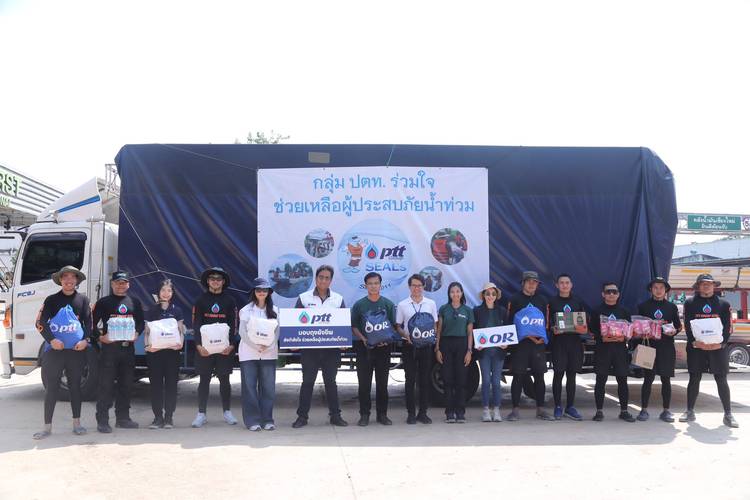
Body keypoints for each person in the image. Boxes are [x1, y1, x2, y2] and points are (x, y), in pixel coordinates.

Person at [33, 266, 92, 439]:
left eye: (72, 277)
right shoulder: (51, 300)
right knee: (52, 388)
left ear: (77, 280)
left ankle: (77, 424)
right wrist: (51, 340)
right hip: (54, 352)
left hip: (75, 352)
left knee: (75, 387)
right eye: (65, 277)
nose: (68, 280)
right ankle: (47, 428)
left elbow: (89, 323)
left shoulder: (83, 300)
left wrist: (85, 340)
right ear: (60, 280)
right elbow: (40, 322)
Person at [292, 265, 348, 428]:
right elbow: (295, 323)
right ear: (316, 278)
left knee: (331, 383)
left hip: (331, 351)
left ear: (331, 280)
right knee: (307, 382)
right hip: (310, 350)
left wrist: (344, 342)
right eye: (321, 277)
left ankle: (335, 416)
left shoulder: (338, 299)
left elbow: (343, 324)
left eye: (327, 278)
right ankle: (302, 417)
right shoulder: (304, 298)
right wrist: (294, 342)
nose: (323, 280)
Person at [680, 274, 738, 427]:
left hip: (718, 348)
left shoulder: (724, 304)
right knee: (694, 378)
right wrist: (694, 342)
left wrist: (721, 344)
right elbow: (687, 324)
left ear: (714, 286)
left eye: (709, 283)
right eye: (703, 283)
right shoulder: (690, 303)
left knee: (721, 379)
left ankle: (728, 414)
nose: (706, 286)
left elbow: (728, 326)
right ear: (698, 286)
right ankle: (690, 411)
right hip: (697, 348)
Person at [93, 270, 145, 433]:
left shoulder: (134, 302)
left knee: (126, 384)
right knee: (106, 385)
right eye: (117, 283)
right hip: (110, 350)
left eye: (124, 283)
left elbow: (141, 322)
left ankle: (123, 418)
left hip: (127, 349)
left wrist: (137, 333)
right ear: (112, 284)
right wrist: (100, 338)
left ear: (128, 284)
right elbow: (90, 323)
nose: (120, 285)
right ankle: (102, 420)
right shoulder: (103, 302)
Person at [191, 267, 239, 428]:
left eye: (219, 279)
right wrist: (198, 345)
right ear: (208, 281)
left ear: (223, 282)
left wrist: (232, 345)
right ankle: (201, 414)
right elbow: (196, 324)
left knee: (225, 380)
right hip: (205, 349)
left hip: (224, 349)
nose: (215, 281)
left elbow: (234, 324)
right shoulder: (200, 300)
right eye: (212, 279)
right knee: (204, 380)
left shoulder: (230, 301)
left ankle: (227, 412)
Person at [351, 272, 397, 426]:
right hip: (364, 348)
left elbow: (393, 326)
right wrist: (363, 339)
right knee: (364, 384)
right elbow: (354, 326)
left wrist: (386, 339)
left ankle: (382, 415)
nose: (373, 286)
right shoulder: (359, 305)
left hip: (383, 349)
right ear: (365, 286)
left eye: (376, 283)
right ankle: (364, 415)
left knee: (382, 384)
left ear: (380, 285)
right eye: (370, 283)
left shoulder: (388, 304)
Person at [506, 271, 553, 421]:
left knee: (540, 377)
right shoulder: (515, 299)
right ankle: (514, 411)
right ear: (523, 283)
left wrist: (543, 338)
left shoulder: (543, 300)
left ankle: (541, 410)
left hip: (538, 345)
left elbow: (546, 322)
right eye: (529, 281)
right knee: (518, 376)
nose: (532, 284)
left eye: (535, 282)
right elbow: (509, 322)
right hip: (521, 345)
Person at [635, 277, 681, 423]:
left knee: (666, 379)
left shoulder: (672, 307)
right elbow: (637, 327)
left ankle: (666, 411)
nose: (658, 290)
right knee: (647, 379)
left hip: (666, 347)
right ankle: (643, 410)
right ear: (651, 289)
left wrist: (674, 332)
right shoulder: (643, 306)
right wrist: (641, 332)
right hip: (648, 346)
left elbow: (678, 326)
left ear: (666, 290)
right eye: (655, 287)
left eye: (661, 287)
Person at [396, 273, 438, 424]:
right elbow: (398, 326)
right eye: (414, 285)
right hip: (409, 346)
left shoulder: (430, 304)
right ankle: (411, 413)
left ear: (424, 287)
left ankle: (423, 413)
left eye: (419, 285)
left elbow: (435, 324)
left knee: (424, 380)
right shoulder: (402, 305)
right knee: (410, 380)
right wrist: (405, 335)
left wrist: (433, 337)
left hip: (426, 346)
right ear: (409, 287)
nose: (417, 288)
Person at [590, 282, 635, 423]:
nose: (611, 294)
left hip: (620, 350)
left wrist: (624, 337)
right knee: (600, 380)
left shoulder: (624, 311)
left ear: (618, 294)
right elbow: (592, 330)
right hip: (602, 349)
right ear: (603, 294)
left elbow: (629, 331)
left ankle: (624, 411)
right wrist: (602, 336)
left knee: (622, 380)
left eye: (614, 292)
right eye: (608, 291)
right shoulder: (597, 311)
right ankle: (599, 411)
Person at [239, 278, 279, 431]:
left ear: (269, 292)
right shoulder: (246, 310)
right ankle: (252, 421)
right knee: (249, 388)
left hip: (268, 354)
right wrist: (255, 346)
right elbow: (242, 332)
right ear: (254, 292)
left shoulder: (275, 310)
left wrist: (268, 346)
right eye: (258, 290)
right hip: (248, 354)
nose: (261, 292)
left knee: (268, 388)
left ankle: (267, 420)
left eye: (264, 290)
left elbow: (277, 332)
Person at [144, 279, 185, 429]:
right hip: (155, 354)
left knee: (171, 386)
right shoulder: (151, 310)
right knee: (156, 386)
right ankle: (157, 418)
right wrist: (148, 347)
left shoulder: (177, 310)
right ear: (158, 292)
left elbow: (181, 331)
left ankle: (169, 418)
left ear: (172, 293)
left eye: (169, 290)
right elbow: (147, 332)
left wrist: (180, 344)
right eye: (163, 290)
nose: (166, 293)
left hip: (172, 354)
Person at [548, 273, 588, 421]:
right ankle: (558, 406)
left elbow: (584, 323)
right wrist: (552, 328)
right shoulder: (552, 302)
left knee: (571, 375)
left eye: (567, 283)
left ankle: (570, 407)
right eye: (561, 283)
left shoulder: (578, 301)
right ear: (557, 285)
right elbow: (547, 323)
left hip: (575, 343)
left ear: (571, 285)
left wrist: (583, 328)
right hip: (559, 343)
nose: (564, 285)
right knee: (558, 374)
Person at [435, 282, 474, 423]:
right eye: (452, 292)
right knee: (447, 380)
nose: (455, 294)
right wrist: (437, 348)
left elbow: (470, 333)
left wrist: (469, 351)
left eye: (458, 291)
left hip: (462, 345)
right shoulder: (444, 309)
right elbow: (439, 330)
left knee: (461, 380)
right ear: (449, 294)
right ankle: (449, 413)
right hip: (446, 344)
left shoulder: (467, 310)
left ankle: (460, 412)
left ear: (462, 293)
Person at [473, 282, 507, 423]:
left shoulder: (502, 311)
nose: (490, 296)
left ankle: (497, 410)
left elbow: (507, 329)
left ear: (496, 295)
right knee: (486, 380)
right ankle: (486, 410)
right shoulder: (477, 311)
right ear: (483, 295)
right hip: (484, 352)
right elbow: (474, 329)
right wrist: (476, 344)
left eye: (493, 294)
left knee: (496, 382)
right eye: (488, 293)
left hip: (498, 352)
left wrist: (506, 343)